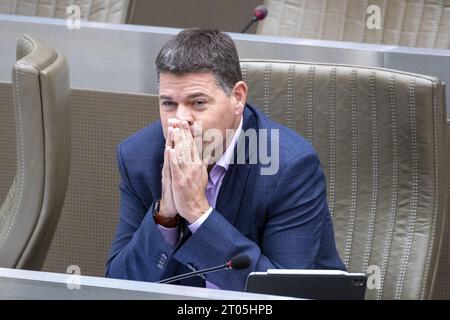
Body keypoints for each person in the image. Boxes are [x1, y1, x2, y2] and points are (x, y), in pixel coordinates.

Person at [106, 28, 345, 291]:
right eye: (169, 104)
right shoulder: (139, 157)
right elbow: (118, 287)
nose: (180, 119)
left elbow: (283, 294)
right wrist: (165, 217)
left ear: (237, 98)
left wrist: (198, 213)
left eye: (197, 102)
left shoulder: (288, 166)